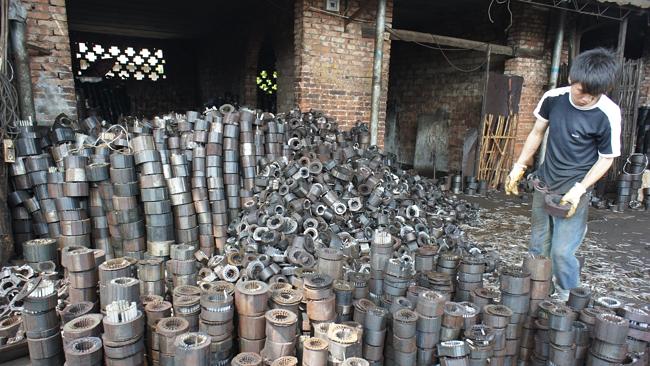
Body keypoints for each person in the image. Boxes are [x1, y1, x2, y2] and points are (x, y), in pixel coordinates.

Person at [505, 48, 621, 300]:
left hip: (573, 190)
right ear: (571, 80)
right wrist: (520, 166)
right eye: (581, 91)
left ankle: (567, 297)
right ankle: (536, 292)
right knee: (537, 245)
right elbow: (537, 132)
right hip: (545, 183)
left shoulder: (608, 114)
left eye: (592, 95)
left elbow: (607, 158)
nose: (585, 99)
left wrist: (580, 190)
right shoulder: (553, 98)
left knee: (561, 252)